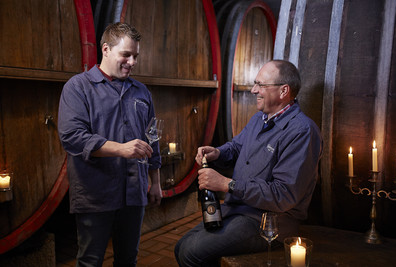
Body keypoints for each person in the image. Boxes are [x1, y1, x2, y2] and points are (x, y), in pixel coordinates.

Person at [175, 60, 322, 266]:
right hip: (239, 209)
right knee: (180, 247)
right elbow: (237, 147)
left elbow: (284, 195)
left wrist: (228, 185)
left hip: (267, 222)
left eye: (261, 85)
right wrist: (217, 152)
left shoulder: (301, 131)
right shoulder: (259, 119)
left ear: (283, 91)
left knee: (191, 253)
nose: (254, 90)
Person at [58, 22, 163, 266]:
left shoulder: (141, 92)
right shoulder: (78, 87)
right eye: (126, 55)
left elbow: (152, 138)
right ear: (106, 50)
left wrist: (156, 181)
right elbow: (72, 136)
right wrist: (121, 148)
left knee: (128, 259)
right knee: (90, 261)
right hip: (95, 194)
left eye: (135, 56)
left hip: (134, 193)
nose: (132, 62)